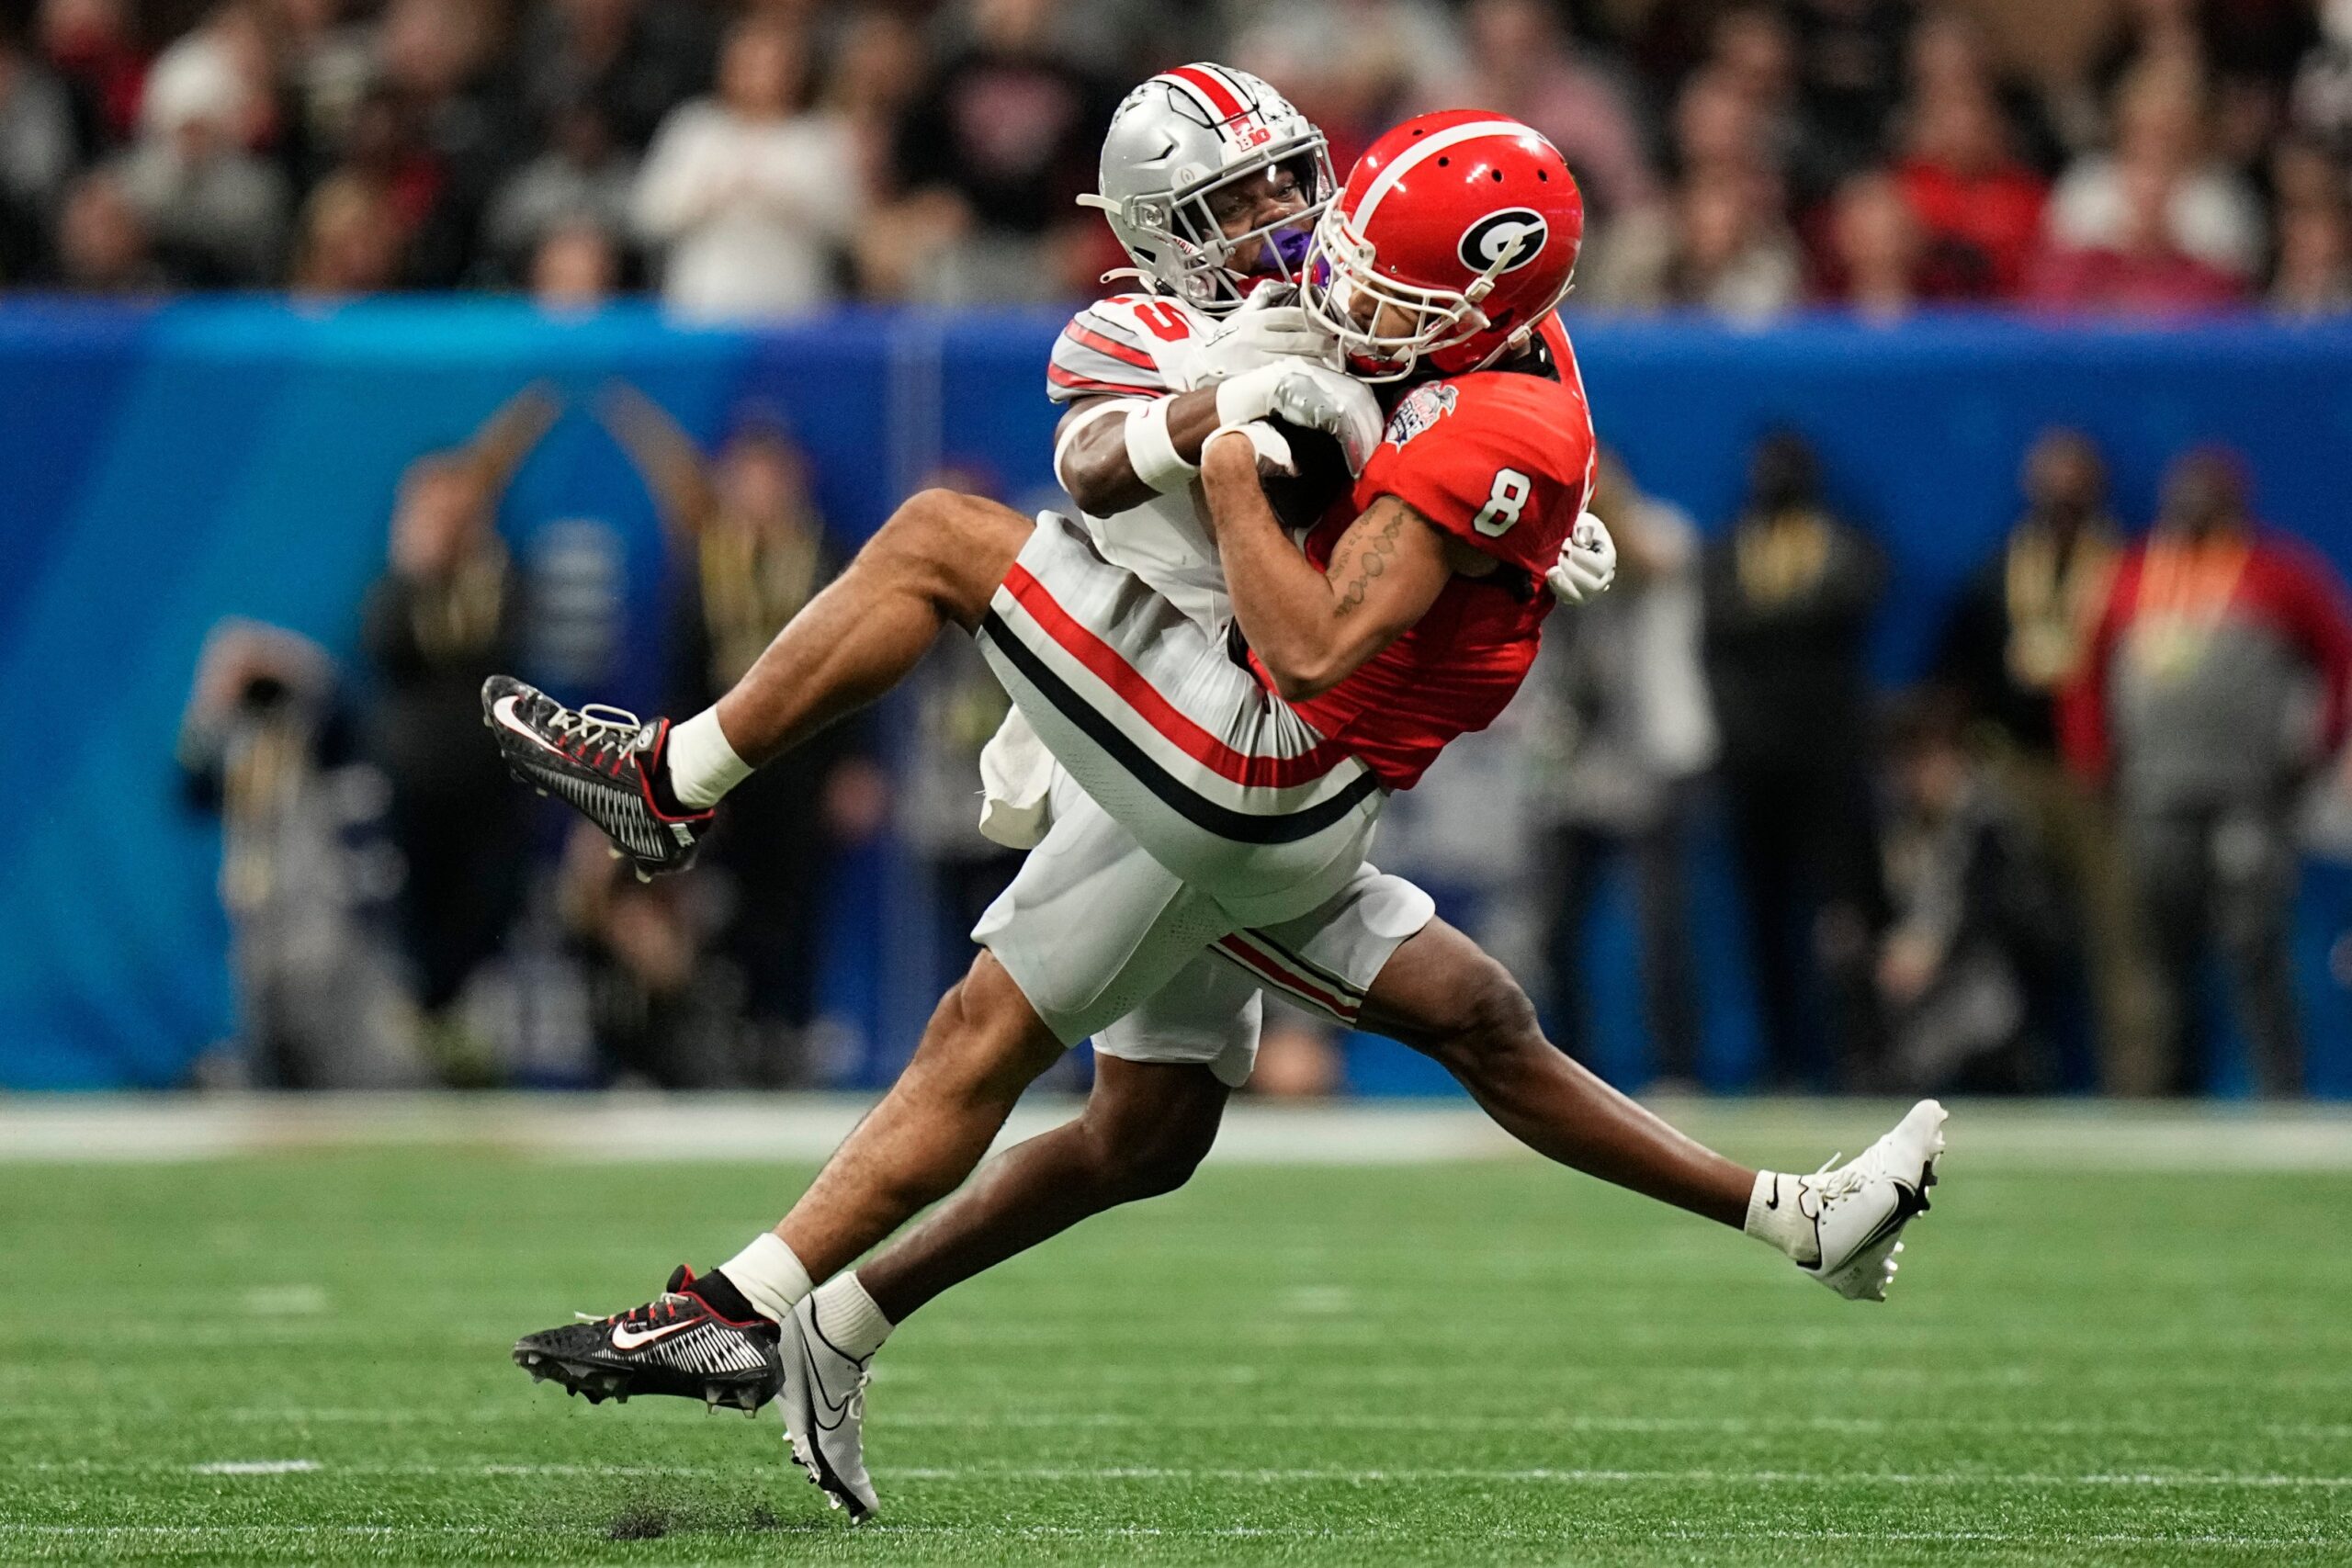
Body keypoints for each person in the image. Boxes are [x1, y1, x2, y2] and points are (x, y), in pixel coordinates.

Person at [485, 95, 1945, 1518]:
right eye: (1233, 205)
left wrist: (1402, 488)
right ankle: (821, 1304)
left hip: (1250, 761)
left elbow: (1385, 524)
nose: (1291, 233)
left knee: (1030, 1002)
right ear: (1150, 229)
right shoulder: (1143, 323)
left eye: (1287, 188)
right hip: (1205, 738)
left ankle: (680, 863)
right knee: (1208, 1101)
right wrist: (1224, 414)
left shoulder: (1456, 365)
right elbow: (1090, 458)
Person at [2063, 446, 2352, 1096]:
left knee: (2256, 942)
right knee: (2162, 948)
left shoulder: (2279, 574)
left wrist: (2319, 748)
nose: (2191, 504)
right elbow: (2086, 672)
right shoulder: (2133, 574)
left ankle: (2283, 1089)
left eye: (2206, 493)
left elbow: (2338, 656)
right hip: (2153, 792)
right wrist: (2091, 760)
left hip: (2246, 792)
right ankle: (2169, 1092)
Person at [1933, 430, 2160, 1093]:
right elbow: (1954, 672)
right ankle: (1995, 1076)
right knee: (1993, 926)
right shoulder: (2000, 566)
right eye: (2050, 478)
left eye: (2075, 479)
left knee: (2120, 932)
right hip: (2013, 768)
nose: (2062, 494)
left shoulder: (2132, 569)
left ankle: (2138, 1085)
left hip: (2099, 775)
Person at [1702, 428, 1889, 1089]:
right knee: (1764, 917)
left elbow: (1850, 597)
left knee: (1846, 914)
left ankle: (1862, 1054)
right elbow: (1718, 626)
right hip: (1753, 763)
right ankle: (1779, 1058)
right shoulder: (1728, 550)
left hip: (1829, 763)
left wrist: (1770, 620)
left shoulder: (1844, 544)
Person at [1526, 450, 1713, 1083]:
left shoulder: (1662, 528)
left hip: (1652, 755)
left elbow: (1652, 563)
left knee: (1659, 928)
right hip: (1575, 759)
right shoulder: (1548, 540)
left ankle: (1678, 1071)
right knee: (1556, 928)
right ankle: (1570, 1070)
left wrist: (1605, 513)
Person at [633, 17, 859, 321]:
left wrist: (785, 199)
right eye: (750, 64)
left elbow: (850, 223)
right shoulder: (695, 130)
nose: (761, 77)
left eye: (773, 66)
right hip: (703, 310)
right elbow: (647, 214)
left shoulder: (817, 138)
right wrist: (710, 194)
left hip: (793, 313)